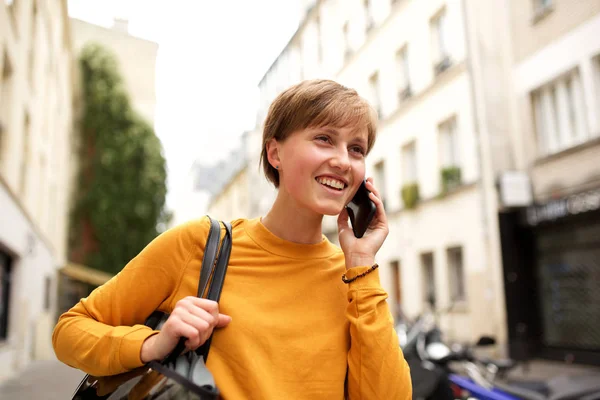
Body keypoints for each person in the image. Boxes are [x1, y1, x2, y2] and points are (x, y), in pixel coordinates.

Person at [53, 79, 412, 399]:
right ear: (275, 153)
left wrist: (362, 265)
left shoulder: (354, 276)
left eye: (357, 149)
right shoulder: (198, 243)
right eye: (324, 139)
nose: (343, 161)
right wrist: (151, 344)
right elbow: (70, 331)